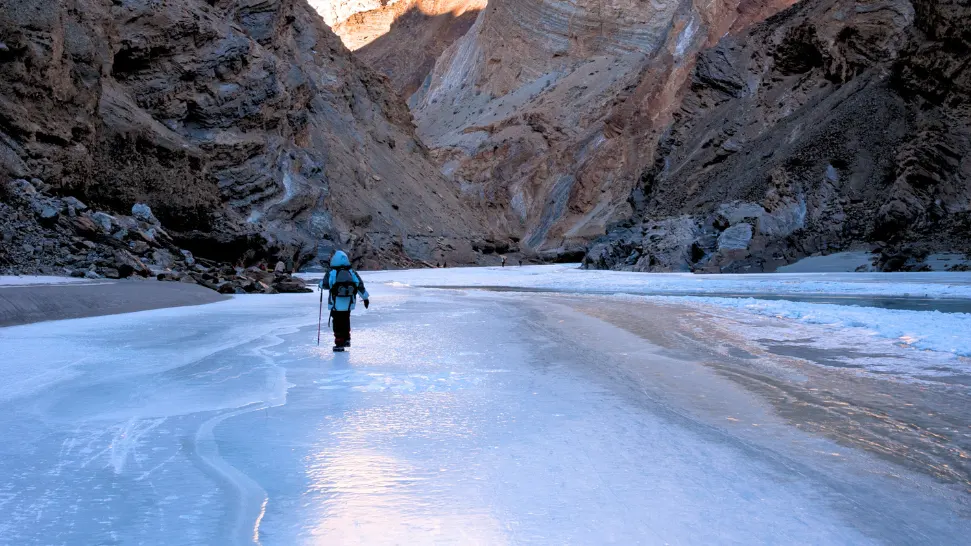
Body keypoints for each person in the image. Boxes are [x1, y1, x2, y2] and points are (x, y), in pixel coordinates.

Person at [319, 250, 369, 351]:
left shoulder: (332, 272)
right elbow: (359, 285)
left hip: (335, 303)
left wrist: (319, 285)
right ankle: (347, 339)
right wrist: (365, 297)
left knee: (337, 322)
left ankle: (339, 343)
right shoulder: (351, 271)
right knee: (346, 319)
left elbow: (325, 284)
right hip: (348, 302)